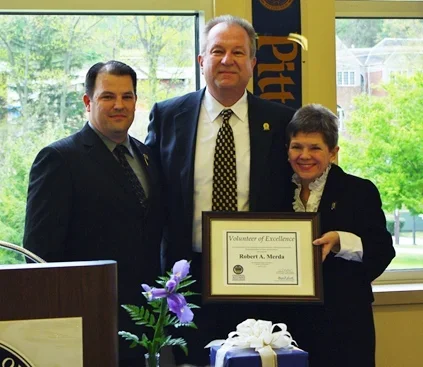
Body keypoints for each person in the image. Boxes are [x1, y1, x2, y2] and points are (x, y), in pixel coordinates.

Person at [145, 14, 295, 366]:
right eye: (217, 51)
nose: (227, 60)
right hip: (189, 276)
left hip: (260, 273)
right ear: (201, 61)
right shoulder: (168, 116)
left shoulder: (282, 121)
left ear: (253, 63)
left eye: (238, 52)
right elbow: (150, 192)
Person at [23, 60, 163, 367]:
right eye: (107, 96)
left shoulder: (148, 156)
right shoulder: (59, 159)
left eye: (127, 97)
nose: (119, 105)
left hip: (146, 319)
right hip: (86, 319)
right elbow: (38, 254)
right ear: (88, 101)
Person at [284, 103, 395, 367]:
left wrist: (340, 242)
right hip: (288, 325)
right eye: (297, 146)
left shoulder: (359, 191)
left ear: (333, 152)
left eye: (315, 148)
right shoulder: (274, 191)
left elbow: (382, 250)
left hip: (344, 323)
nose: (304, 155)